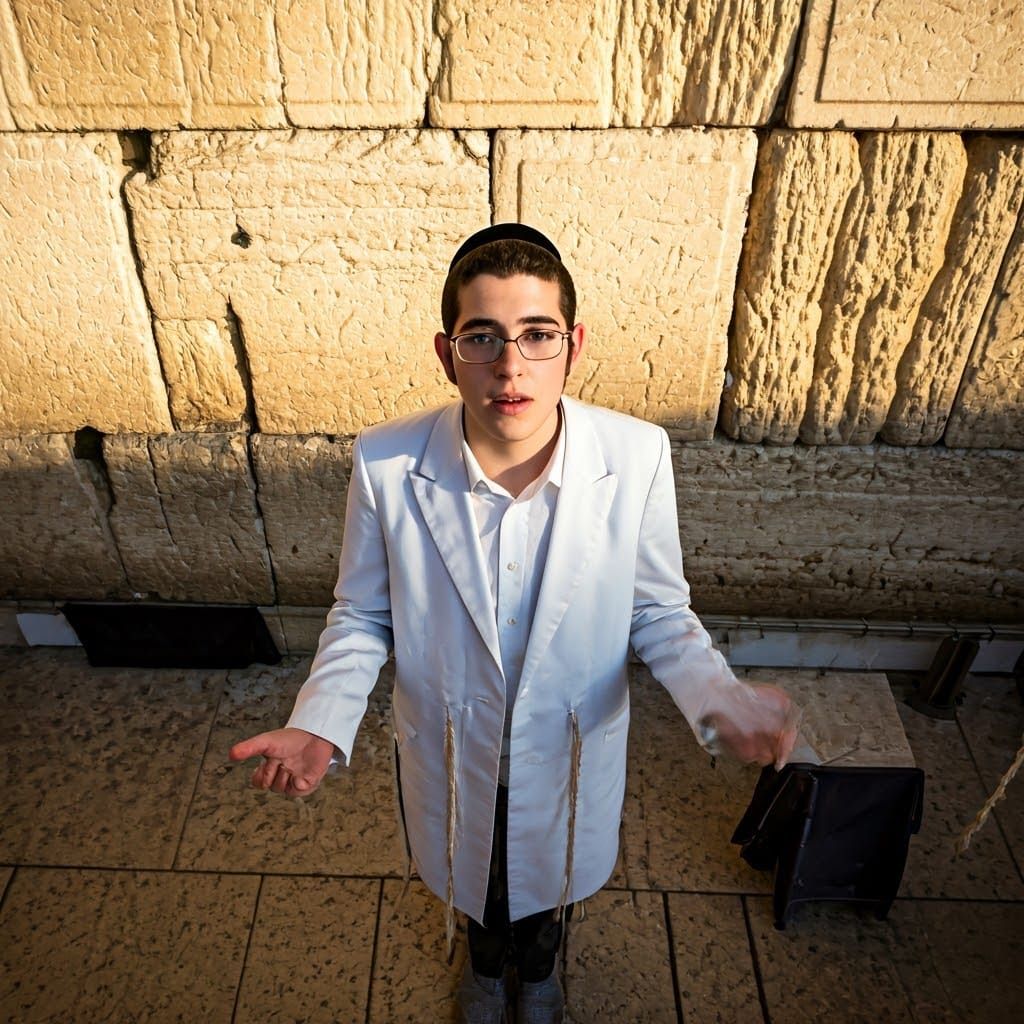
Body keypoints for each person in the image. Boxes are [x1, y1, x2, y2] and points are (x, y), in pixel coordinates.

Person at [229, 223, 799, 1024]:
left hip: (568, 739)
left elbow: (659, 609)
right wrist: (320, 722)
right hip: (453, 740)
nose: (510, 366)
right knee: (475, 877)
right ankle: (485, 960)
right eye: (483, 338)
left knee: (550, 879)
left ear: (574, 344)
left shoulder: (635, 456)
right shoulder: (387, 461)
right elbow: (362, 613)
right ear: (446, 351)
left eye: (537, 336)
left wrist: (718, 695)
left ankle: (538, 966)